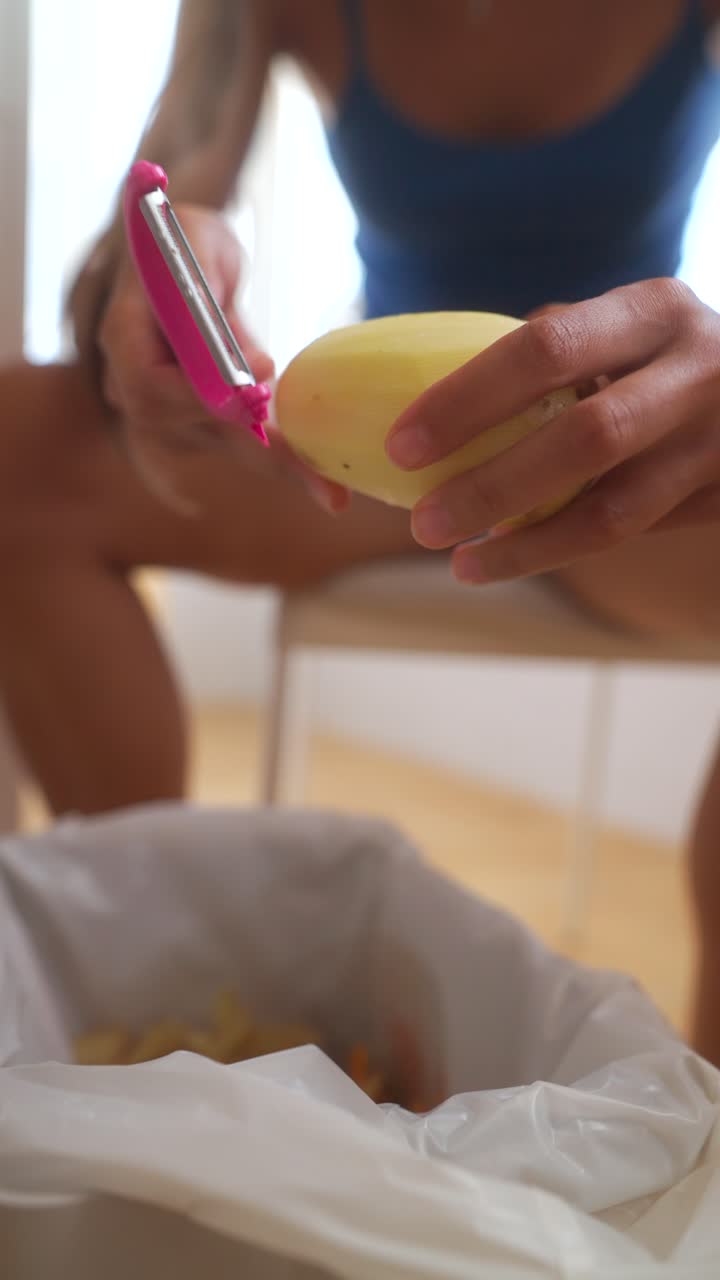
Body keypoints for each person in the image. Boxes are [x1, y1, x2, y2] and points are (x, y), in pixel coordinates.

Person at [1, 0, 720, 1063]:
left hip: (630, 469)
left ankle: (698, 1157)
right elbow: (169, 194)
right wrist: (154, 280)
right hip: (377, 460)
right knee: (19, 443)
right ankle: (152, 1015)